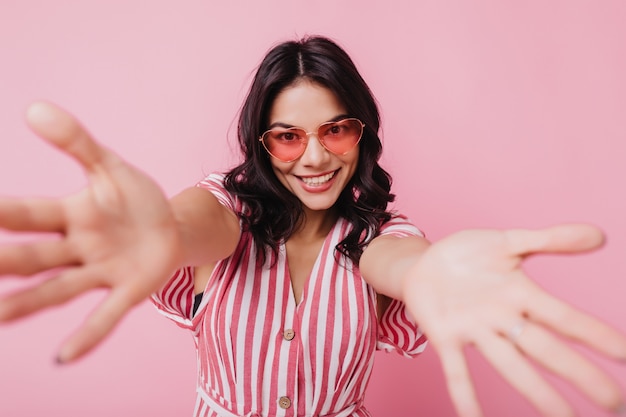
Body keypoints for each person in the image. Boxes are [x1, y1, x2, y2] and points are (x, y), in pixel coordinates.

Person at [0, 35, 625, 417]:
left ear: (362, 131)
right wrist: (164, 227)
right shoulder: (227, 211)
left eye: (336, 129)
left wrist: (432, 270)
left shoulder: (379, 233)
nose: (317, 157)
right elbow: (197, 224)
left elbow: (400, 261)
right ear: (261, 143)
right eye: (288, 137)